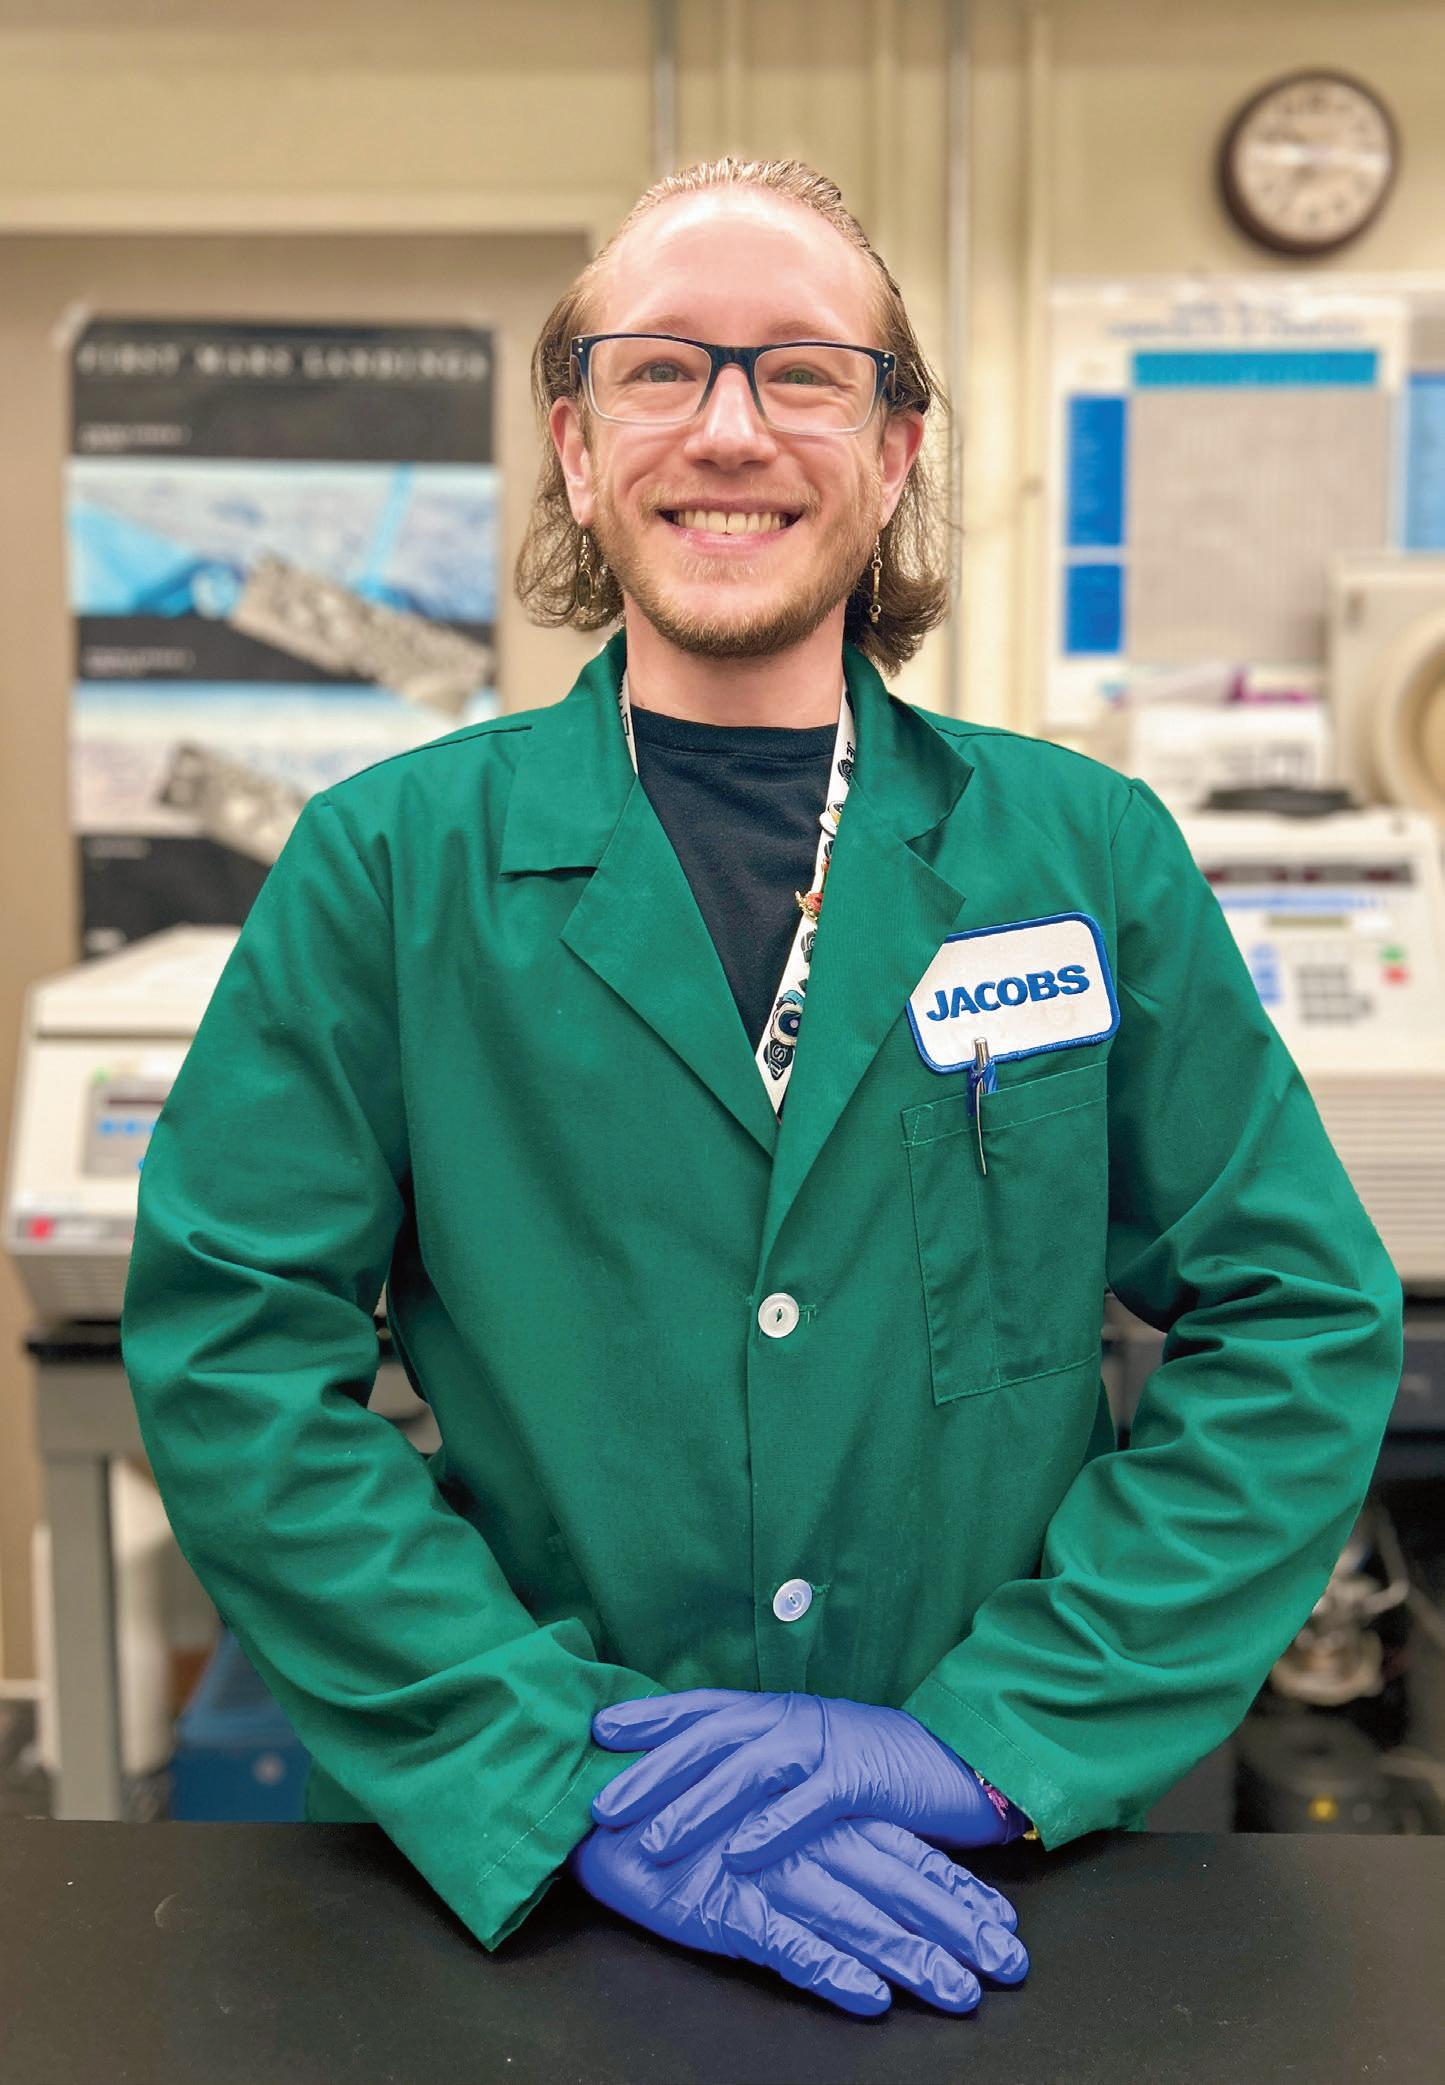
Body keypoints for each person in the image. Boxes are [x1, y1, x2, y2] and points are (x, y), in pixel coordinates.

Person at [121, 157, 1404, 2023]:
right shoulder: (387, 871)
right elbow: (235, 1356)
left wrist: (997, 1735)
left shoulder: (1081, 855)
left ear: (892, 455)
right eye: (660, 370)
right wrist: (552, 1768)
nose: (729, 427)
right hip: (530, 1892)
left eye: (803, 370)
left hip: (1000, 1885)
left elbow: (1296, 1315)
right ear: (579, 451)